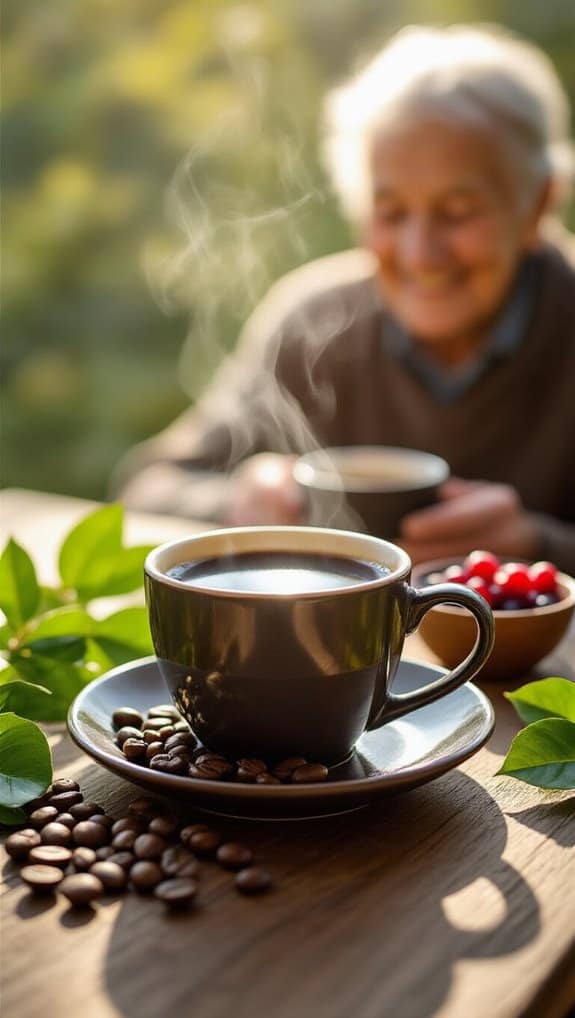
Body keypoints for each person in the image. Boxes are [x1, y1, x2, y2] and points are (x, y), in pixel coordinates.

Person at [114, 25, 575, 572]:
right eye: (390, 211)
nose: (420, 252)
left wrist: (538, 545)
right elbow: (147, 485)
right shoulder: (316, 321)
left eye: (457, 212)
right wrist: (241, 501)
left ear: (537, 205)